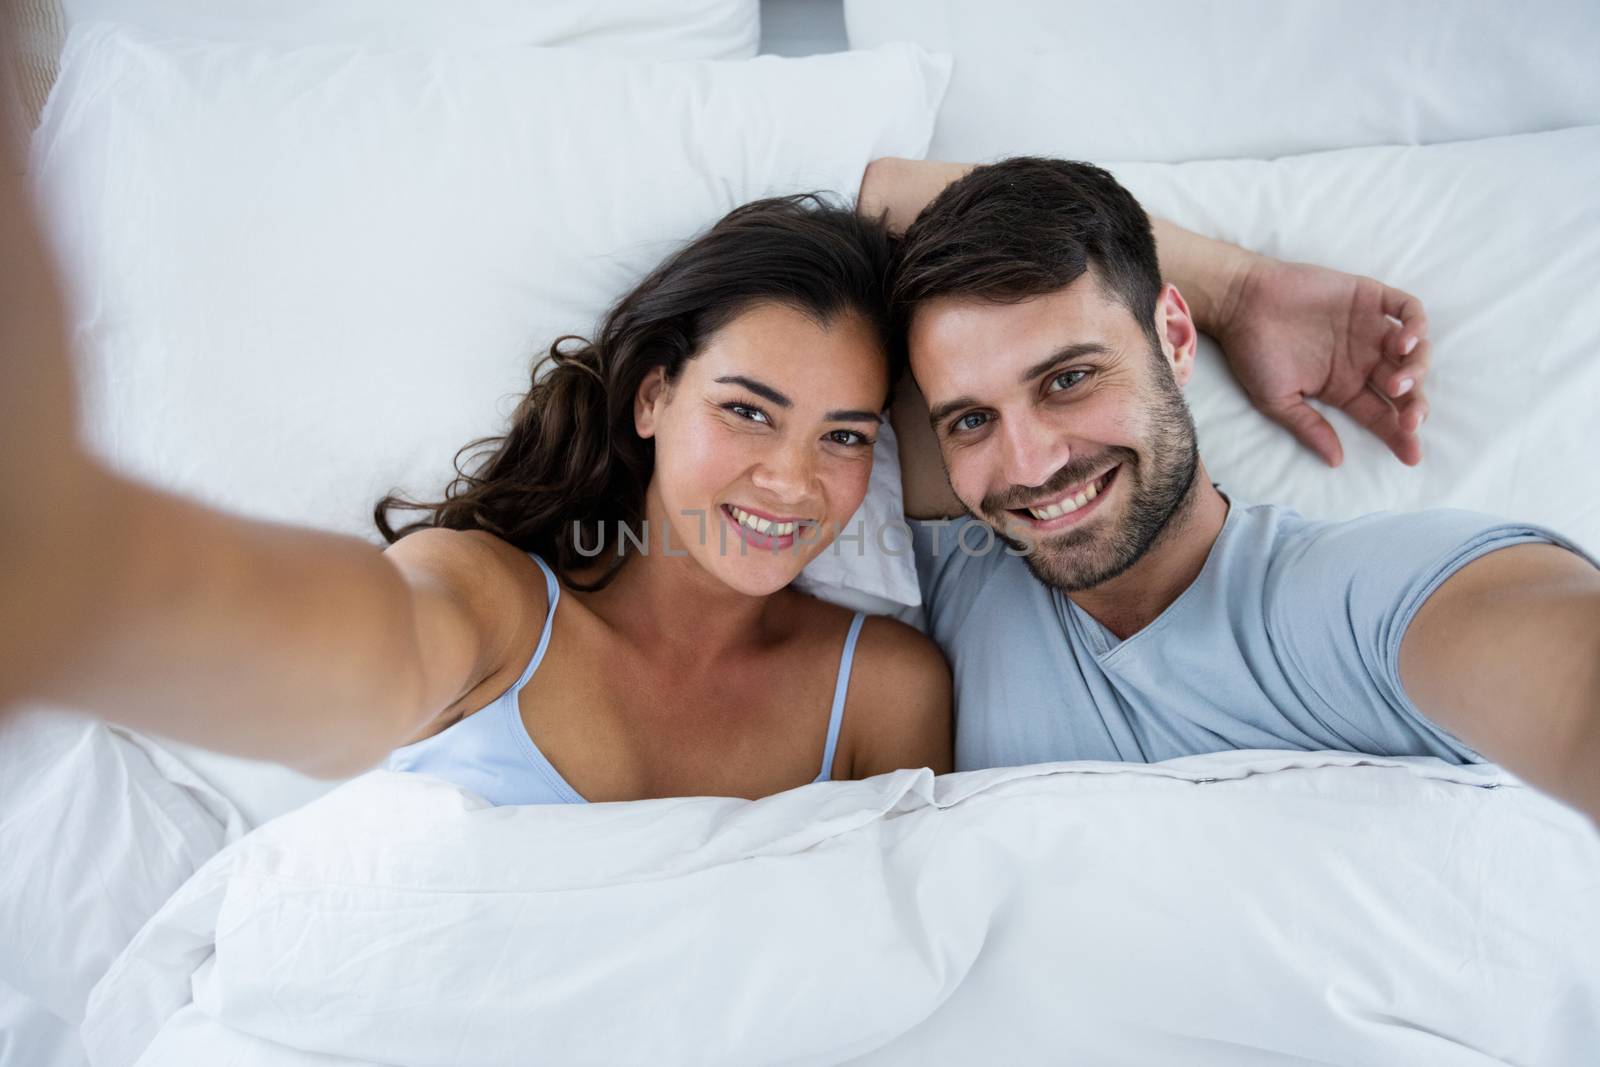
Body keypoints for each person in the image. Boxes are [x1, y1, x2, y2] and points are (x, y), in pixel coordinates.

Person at [0, 124, 1442, 798]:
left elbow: (913, 210)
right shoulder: (490, 601)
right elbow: (347, 663)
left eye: (845, 437)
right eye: (746, 409)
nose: (788, 481)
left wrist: (1245, 294)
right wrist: (84, 582)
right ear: (647, 398)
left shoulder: (885, 689)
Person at [873, 156, 1600, 823]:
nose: (1029, 466)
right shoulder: (958, 570)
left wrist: (1240, 290)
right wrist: (1240, 289)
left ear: (1175, 339)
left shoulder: (1342, 604)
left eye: (1069, 379)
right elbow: (883, 204)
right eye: (972, 419)